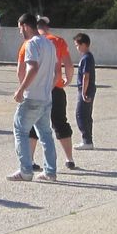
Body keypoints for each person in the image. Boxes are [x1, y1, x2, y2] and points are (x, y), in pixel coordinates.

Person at [9, 13, 58, 182]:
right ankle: (50, 171)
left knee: (20, 130)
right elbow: (54, 71)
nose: (19, 32)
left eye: (19, 28)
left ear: (25, 26)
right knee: (45, 134)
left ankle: (25, 171)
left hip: (32, 97)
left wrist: (21, 89)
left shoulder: (31, 44)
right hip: (46, 97)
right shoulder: (49, 44)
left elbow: (33, 68)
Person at [26, 17, 77, 170]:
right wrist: (66, 80)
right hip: (55, 89)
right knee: (60, 122)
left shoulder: (31, 43)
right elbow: (68, 65)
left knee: (34, 124)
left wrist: (24, 88)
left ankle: (30, 160)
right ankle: (69, 159)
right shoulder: (58, 41)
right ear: (47, 26)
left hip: (37, 90)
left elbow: (23, 68)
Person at [73, 33, 96, 150]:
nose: (77, 48)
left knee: (80, 115)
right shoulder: (87, 57)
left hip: (86, 88)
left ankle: (86, 140)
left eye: (77, 45)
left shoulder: (86, 57)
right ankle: (88, 140)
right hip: (88, 88)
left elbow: (86, 76)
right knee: (87, 115)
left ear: (84, 44)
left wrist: (83, 92)